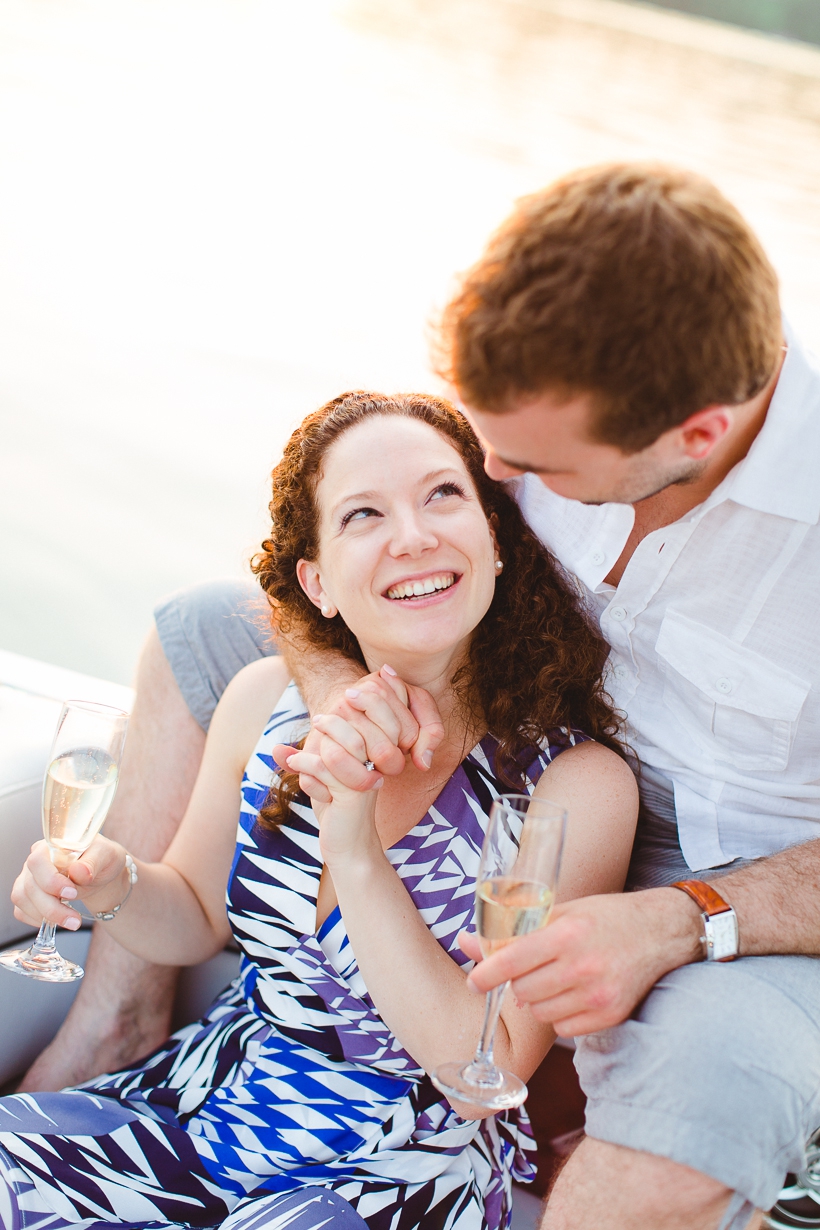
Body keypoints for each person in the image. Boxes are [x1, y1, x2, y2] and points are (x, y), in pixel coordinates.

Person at [21, 160, 820, 1228]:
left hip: (747, 880)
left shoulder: (588, 774)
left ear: (696, 437)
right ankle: (110, 1025)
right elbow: (337, 546)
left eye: (515, 473)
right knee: (196, 623)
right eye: (482, 461)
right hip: (486, 733)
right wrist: (336, 689)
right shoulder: (533, 431)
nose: (496, 476)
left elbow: (478, 1059)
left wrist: (680, 921)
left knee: (696, 1102)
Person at [4, 392, 637, 1230]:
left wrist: (355, 844)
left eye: (443, 495)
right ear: (318, 582)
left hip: (402, 1157)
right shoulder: (266, 699)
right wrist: (107, 882)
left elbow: (483, 1064)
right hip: (215, 1099)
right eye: (363, 514)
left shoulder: (573, 786)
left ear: (495, 545)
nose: (412, 535)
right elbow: (192, 917)